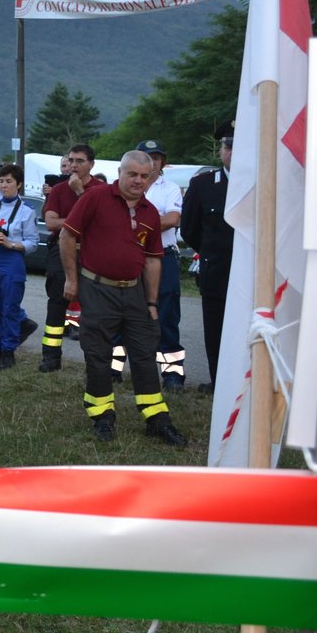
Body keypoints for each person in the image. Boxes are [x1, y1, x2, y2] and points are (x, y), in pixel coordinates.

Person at [59, 150, 188, 445]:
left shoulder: (150, 213)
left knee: (144, 354)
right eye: (133, 174)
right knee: (99, 354)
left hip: (135, 292)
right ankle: (102, 416)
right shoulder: (96, 198)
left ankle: (156, 418)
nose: (138, 181)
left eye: (145, 176)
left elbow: (154, 259)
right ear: (120, 172)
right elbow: (67, 236)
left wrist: (152, 302)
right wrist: (71, 279)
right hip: (97, 289)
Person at [181, 127, 235, 393]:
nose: (232, 153)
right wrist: (213, 252)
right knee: (215, 331)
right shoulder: (203, 184)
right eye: (228, 147)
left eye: (238, 147)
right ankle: (218, 383)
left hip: (252, 275)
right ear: (222, 151)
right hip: (217, 271)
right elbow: (189, 228)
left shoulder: (264, 181)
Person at [37, 144, 97, 374]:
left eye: (79, 161)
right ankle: (51, 357)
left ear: (91, 164)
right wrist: (81, 222)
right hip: (60, 250)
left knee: (93, 307)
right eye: (71, 160)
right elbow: (51, 223)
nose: (73, 165)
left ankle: (95, 361)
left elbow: (101, 221)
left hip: (91, 251)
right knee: (57, 303)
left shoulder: (101, 189)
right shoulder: (59, 189)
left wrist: (81, 193)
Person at [0, 163, 39, 368]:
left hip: (11, 259)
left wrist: (12, 243)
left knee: (9, 306)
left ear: (18, 184)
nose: (3, 185)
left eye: (8, 181)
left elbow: (33, 242)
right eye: (1, 181)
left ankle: (8, 351)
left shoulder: (26, 211)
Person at [138, 139, 187, 390]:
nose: (153, 162)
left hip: (162, 255)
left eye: (157, 158)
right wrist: (154, 219)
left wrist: (139, 221)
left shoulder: (170, 188)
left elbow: (172, 219)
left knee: (166, 314)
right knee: (126, 312)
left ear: (162, 162)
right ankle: (115, 369)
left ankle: (172, 373)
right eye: (148, 157)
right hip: (131, 256)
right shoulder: (130, 185)